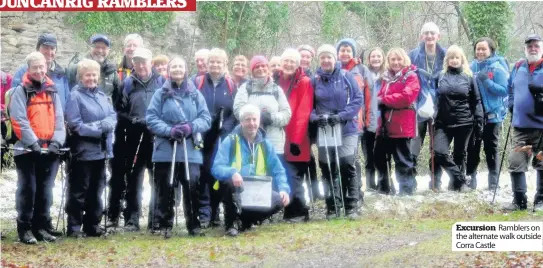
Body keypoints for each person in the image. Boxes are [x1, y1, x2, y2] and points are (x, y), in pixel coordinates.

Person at [146, 56, 211, 238]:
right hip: (166, 149)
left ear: (186, 69)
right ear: (168, 70)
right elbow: (151, 118)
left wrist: (191, 127)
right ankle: (164, 224)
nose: (177, 70)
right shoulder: (160, 94)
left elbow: (205, 118)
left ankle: (194, 224)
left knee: (192, 186)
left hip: (190, 149)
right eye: (173, 66)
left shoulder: (195, 94)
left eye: (180, 66)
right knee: (165, 187)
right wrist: (169, 130)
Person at [9, 52, 66, 244]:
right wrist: (32, 143)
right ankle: (24, 228)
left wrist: (57, 142)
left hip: (49, 150)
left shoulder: (52, 90)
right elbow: (18, 120)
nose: (40, 70)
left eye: (42, 67)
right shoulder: (21, 91)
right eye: (35, 67)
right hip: (27, 150)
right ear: (28, 69)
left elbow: (59, 120)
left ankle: (40, 227)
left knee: (45, 190)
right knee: (28, 189)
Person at [211, 104, 290, 237]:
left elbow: (279, 170)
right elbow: (216, 168)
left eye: (254, 119)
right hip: (235, 189)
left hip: (257, 190)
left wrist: (283, 189)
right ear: (241, 122)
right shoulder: (230, 141)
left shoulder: (266, 144)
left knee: (280, 200)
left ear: (259, 122)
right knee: (229, 183)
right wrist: (232, 172)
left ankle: (245, 222)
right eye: (247, 119)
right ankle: (231, 223)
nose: (251, 123)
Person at [309, 44, 363, 219]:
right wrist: (315, 118)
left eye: (329, 57)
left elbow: (357, 99)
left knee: (347, 163)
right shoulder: (314, 79)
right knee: (327, 166)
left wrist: (342, 116)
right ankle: (332, 205)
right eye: (323, 57)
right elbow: (308, 106)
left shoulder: (347, 76)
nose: (326, 60)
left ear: (335, 58)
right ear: (319, 59)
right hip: (325, 129)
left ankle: (351, 205)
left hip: (346, 128)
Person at [64, 59, 117, 238]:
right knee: (79, 190)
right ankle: (74, 227)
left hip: (101, 151)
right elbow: (75, 124)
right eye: (88, 75)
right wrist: (99, 128)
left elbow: (112, 116)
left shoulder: (102, 96)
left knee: (97, 189)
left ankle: (92, 225)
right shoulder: (75, 96)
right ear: (80, 77)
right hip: (83, 151)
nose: (92, 78)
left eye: (94, 74)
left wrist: (103, 125)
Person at [115, 48, 166, 231]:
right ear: (133, 63)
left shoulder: (162, 82)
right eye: (137, 62)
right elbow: (119, 111)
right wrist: (132, 121)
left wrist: (157, 123)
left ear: (150, 62)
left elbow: (169, 107)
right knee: (134, 179)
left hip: (157, 137)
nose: (141, 65)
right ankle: (132, 219)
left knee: (157, 180)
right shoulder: (127, 84)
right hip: (135, 136)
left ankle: (155, 220)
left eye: (144, 61)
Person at [194, 48, 238, 228]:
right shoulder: (196, 82)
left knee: (217, 172)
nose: (215, 65)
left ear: (224, 64)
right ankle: (204, 213)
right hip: (202, 136)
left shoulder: (231, 85)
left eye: (219, 62)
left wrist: (226, 127)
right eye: (212, 61)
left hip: (222, 136)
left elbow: (236, 112)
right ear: (207, 63)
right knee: (202, 174)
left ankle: (216, 212)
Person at [432, 45, 483, 192]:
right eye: (451, 58)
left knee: (459, 154)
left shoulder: (469, 76)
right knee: (439, 152)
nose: (454, 60)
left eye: (457, 57)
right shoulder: (440, 76)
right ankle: (461, 179)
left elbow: (476, 100)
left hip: (464, 122)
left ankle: (456, 186)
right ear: (447, 60)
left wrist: (479, 119)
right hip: (443, 122)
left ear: (462, 59)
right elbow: (433, 95)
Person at [108, 33, 144, 226]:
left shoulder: (147, 72)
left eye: (135, 45)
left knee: (135, 175)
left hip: (138, 132)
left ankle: (132, 215)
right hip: (118, 129)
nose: (131, 48)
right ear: (124, 48)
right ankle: (113, 214)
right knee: (116, 174)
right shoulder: (115, 71)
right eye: (128, 45)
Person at [374, 48, 420, 195]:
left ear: (404, 60)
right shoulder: (386, 78)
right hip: (385, 125)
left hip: (402, 125)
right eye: (393, 59)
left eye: (399, 59)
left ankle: (406, 191)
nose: (396, 62)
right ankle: (384, 188)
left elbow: (406, 97)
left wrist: (384, 100)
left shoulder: (410, 76)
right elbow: (379, 96)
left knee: (402, 160)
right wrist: (382, 100)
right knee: (379, 156)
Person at [275, 48, 313, 222]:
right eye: (286, 61)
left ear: (298, 64)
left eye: (293, 61)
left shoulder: (303, 82)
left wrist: (296, 140)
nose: (289, 64)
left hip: (296, 137)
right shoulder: (276, 79)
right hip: (278, 135)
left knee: (293, 174)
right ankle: (289, 210)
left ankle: (299, 210)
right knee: (283, 172)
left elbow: (303, 112)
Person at [466, 37, 509, 190]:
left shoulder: (497, 67)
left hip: (493, 115)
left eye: (483, 49)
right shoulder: (471, 67)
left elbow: (504, 90)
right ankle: (471, 179)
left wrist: (487, 81)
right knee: (473, 148)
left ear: (491, 50)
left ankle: (493, 181)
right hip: (475, 116)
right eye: (478, 49)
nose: (480, 51)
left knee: (491, 148)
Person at [506, 34, 543, 211]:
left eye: (536, 45)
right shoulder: (518, 66)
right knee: (515, 161)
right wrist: (512, 104)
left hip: (542, 128)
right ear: (525, 49)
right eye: (529, 46)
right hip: (521, 126)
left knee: (542, 162)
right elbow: (510, 88)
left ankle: (540, 201)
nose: (533, 49)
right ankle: (519, 201)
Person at [233, 56, 292, 164]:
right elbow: (238, 110)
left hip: (275, 142)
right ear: (252, 71)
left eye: (263, 66)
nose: (260, 69)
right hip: (249, 140)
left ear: (268, 68)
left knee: (274, 176)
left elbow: (286, 114)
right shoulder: (245, 88)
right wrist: (256, 118)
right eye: (257, 67)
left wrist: (270, 118)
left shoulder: (276, 89)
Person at [336, 38, 375, 199]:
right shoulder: (332, 68)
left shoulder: (362, 70)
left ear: (353, 53)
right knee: (339, 158)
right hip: (335, 123)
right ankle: (341, 192)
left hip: (356, 123)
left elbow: (369, 98)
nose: (345, 53)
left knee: (352, 158)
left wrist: (369, 122)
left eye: (348, 50)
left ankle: (356, 192)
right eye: (342, 50)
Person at [408, 22, 446, 183]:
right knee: (414, 142)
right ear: (421, 36)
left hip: (440, 104)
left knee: (437, 144)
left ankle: (435, 180)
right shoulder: (412, 55)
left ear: (438, 36)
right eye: (426, 33)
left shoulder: (446, 55)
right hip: (418, 105)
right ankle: (410, 179)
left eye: (432, 33)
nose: (429, 36)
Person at [12, 33, 70, 110]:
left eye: (52, 48)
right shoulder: (23, 72)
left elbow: (67, 100)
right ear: (37, 49)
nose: (49, 52)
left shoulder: (61, 74)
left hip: (57, 121)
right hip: (32, 120)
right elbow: (14, 101)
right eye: (45, 48)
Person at [66, 34, 120, 100]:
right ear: (90, 47)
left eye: (104, 48)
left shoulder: (112, 71)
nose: (100, 51)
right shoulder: (76, 68)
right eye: (97, 47)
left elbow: (118, 99)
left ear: (109, 50)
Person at [363, 47, 385, 191]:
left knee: (381, 154)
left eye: (378, 56)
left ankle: (384, 183)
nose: (376, 59)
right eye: (373, 56)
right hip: (367, 119)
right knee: (368, 154)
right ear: (369, 59)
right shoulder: (364, 74)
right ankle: (371, 184)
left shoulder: (388, 75)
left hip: (384, 119)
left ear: (383, 58)